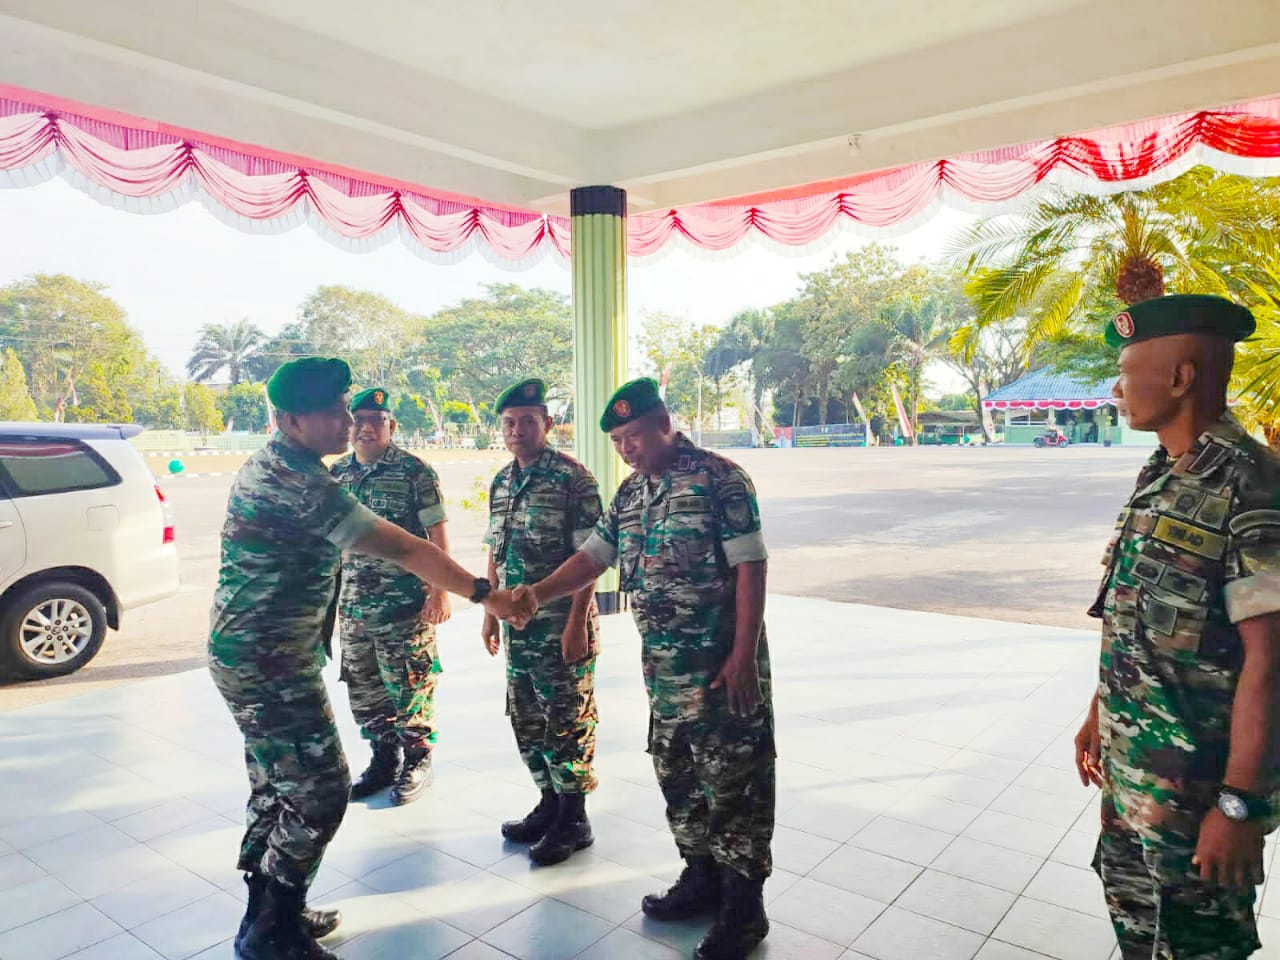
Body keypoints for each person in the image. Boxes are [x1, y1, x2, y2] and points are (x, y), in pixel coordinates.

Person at [209, 357, 531, 960]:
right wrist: (487, 595)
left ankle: (273, 909)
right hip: (267, 662)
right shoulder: (297, 483)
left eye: (346, 406)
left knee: (277, 788)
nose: (345, 419)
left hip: (260, 654)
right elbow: (404, 546)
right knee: (321, 790)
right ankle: (270, 933)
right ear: (289, 419)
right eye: (330, 411)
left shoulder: (285, 463)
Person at [517, 377, 775, 960]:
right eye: (617, 441)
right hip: (663, 672)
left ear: (664, 424)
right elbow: (591, 558)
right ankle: (701, 876)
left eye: (633, 435)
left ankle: (744, 907)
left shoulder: (720, 478)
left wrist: (742, 656)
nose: (627, 448)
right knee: (679, 776)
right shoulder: (631, 494)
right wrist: (535, 592)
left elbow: (751, 569)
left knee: (734, 782)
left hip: (719, 668)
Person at [1073, 295, 1280, 959]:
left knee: (1199, 950)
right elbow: (1134, 619)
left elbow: (1271, 663)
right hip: (1133, 785)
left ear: (1181, 378)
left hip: (1197, 805)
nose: (1116, 387)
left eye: (1128, 370)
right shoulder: (1162, 474)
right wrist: (1097, 714)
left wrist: (1241, 806)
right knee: (1140, 938)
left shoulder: (1251, 487)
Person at [482, 377, 603, 865]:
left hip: (560, 626)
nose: (517, 431)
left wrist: (577, 621)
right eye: (509, 423)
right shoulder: (502, 480)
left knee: (567, 720)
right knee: (528, 719)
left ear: (547, 424)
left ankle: (574, 818)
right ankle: (549, 803)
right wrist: (490, 611)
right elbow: (496, 548)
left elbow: (592, 556)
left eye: (527, 422)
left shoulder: (574, 479)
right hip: (517, 628)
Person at [331, 387, 450, 806]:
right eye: (359, 419)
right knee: (364, 688)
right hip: (354, 608)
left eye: (376, 420)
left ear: (391, 426)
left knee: (411, 684)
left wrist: (440, 592)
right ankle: (383, 759)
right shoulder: (338, 475)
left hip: (405, 605)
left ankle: (417, 760)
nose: (366, 427)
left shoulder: (415, 472)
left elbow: (436, 534)